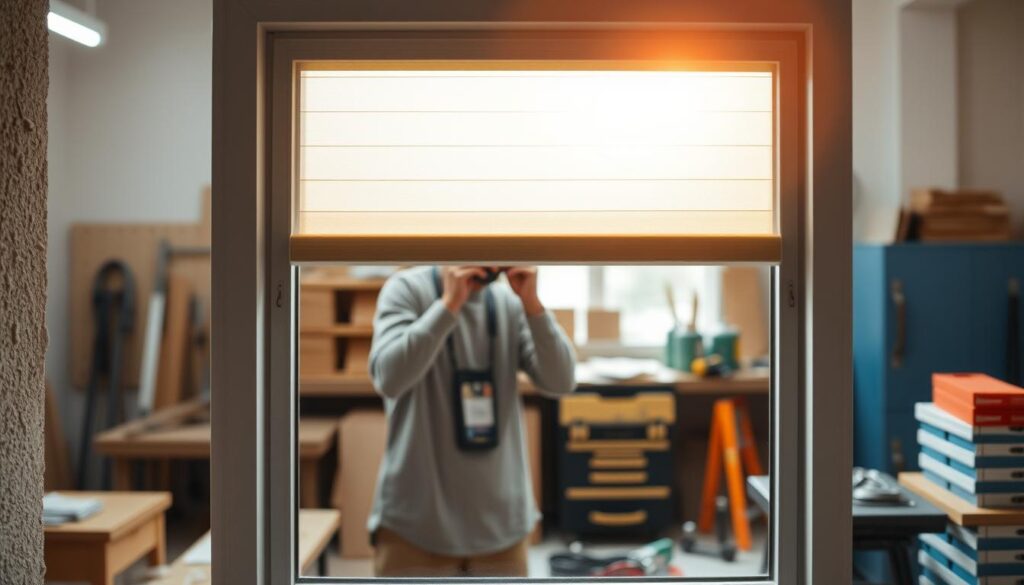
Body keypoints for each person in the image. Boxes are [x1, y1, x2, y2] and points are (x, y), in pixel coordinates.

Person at [367, 266, 576, 577]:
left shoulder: (509, 303)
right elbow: (389, 378)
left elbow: (561, 381)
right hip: (415, 524)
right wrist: (448, 306)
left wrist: (533, 305)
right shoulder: (407, 290)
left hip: (501, 526)